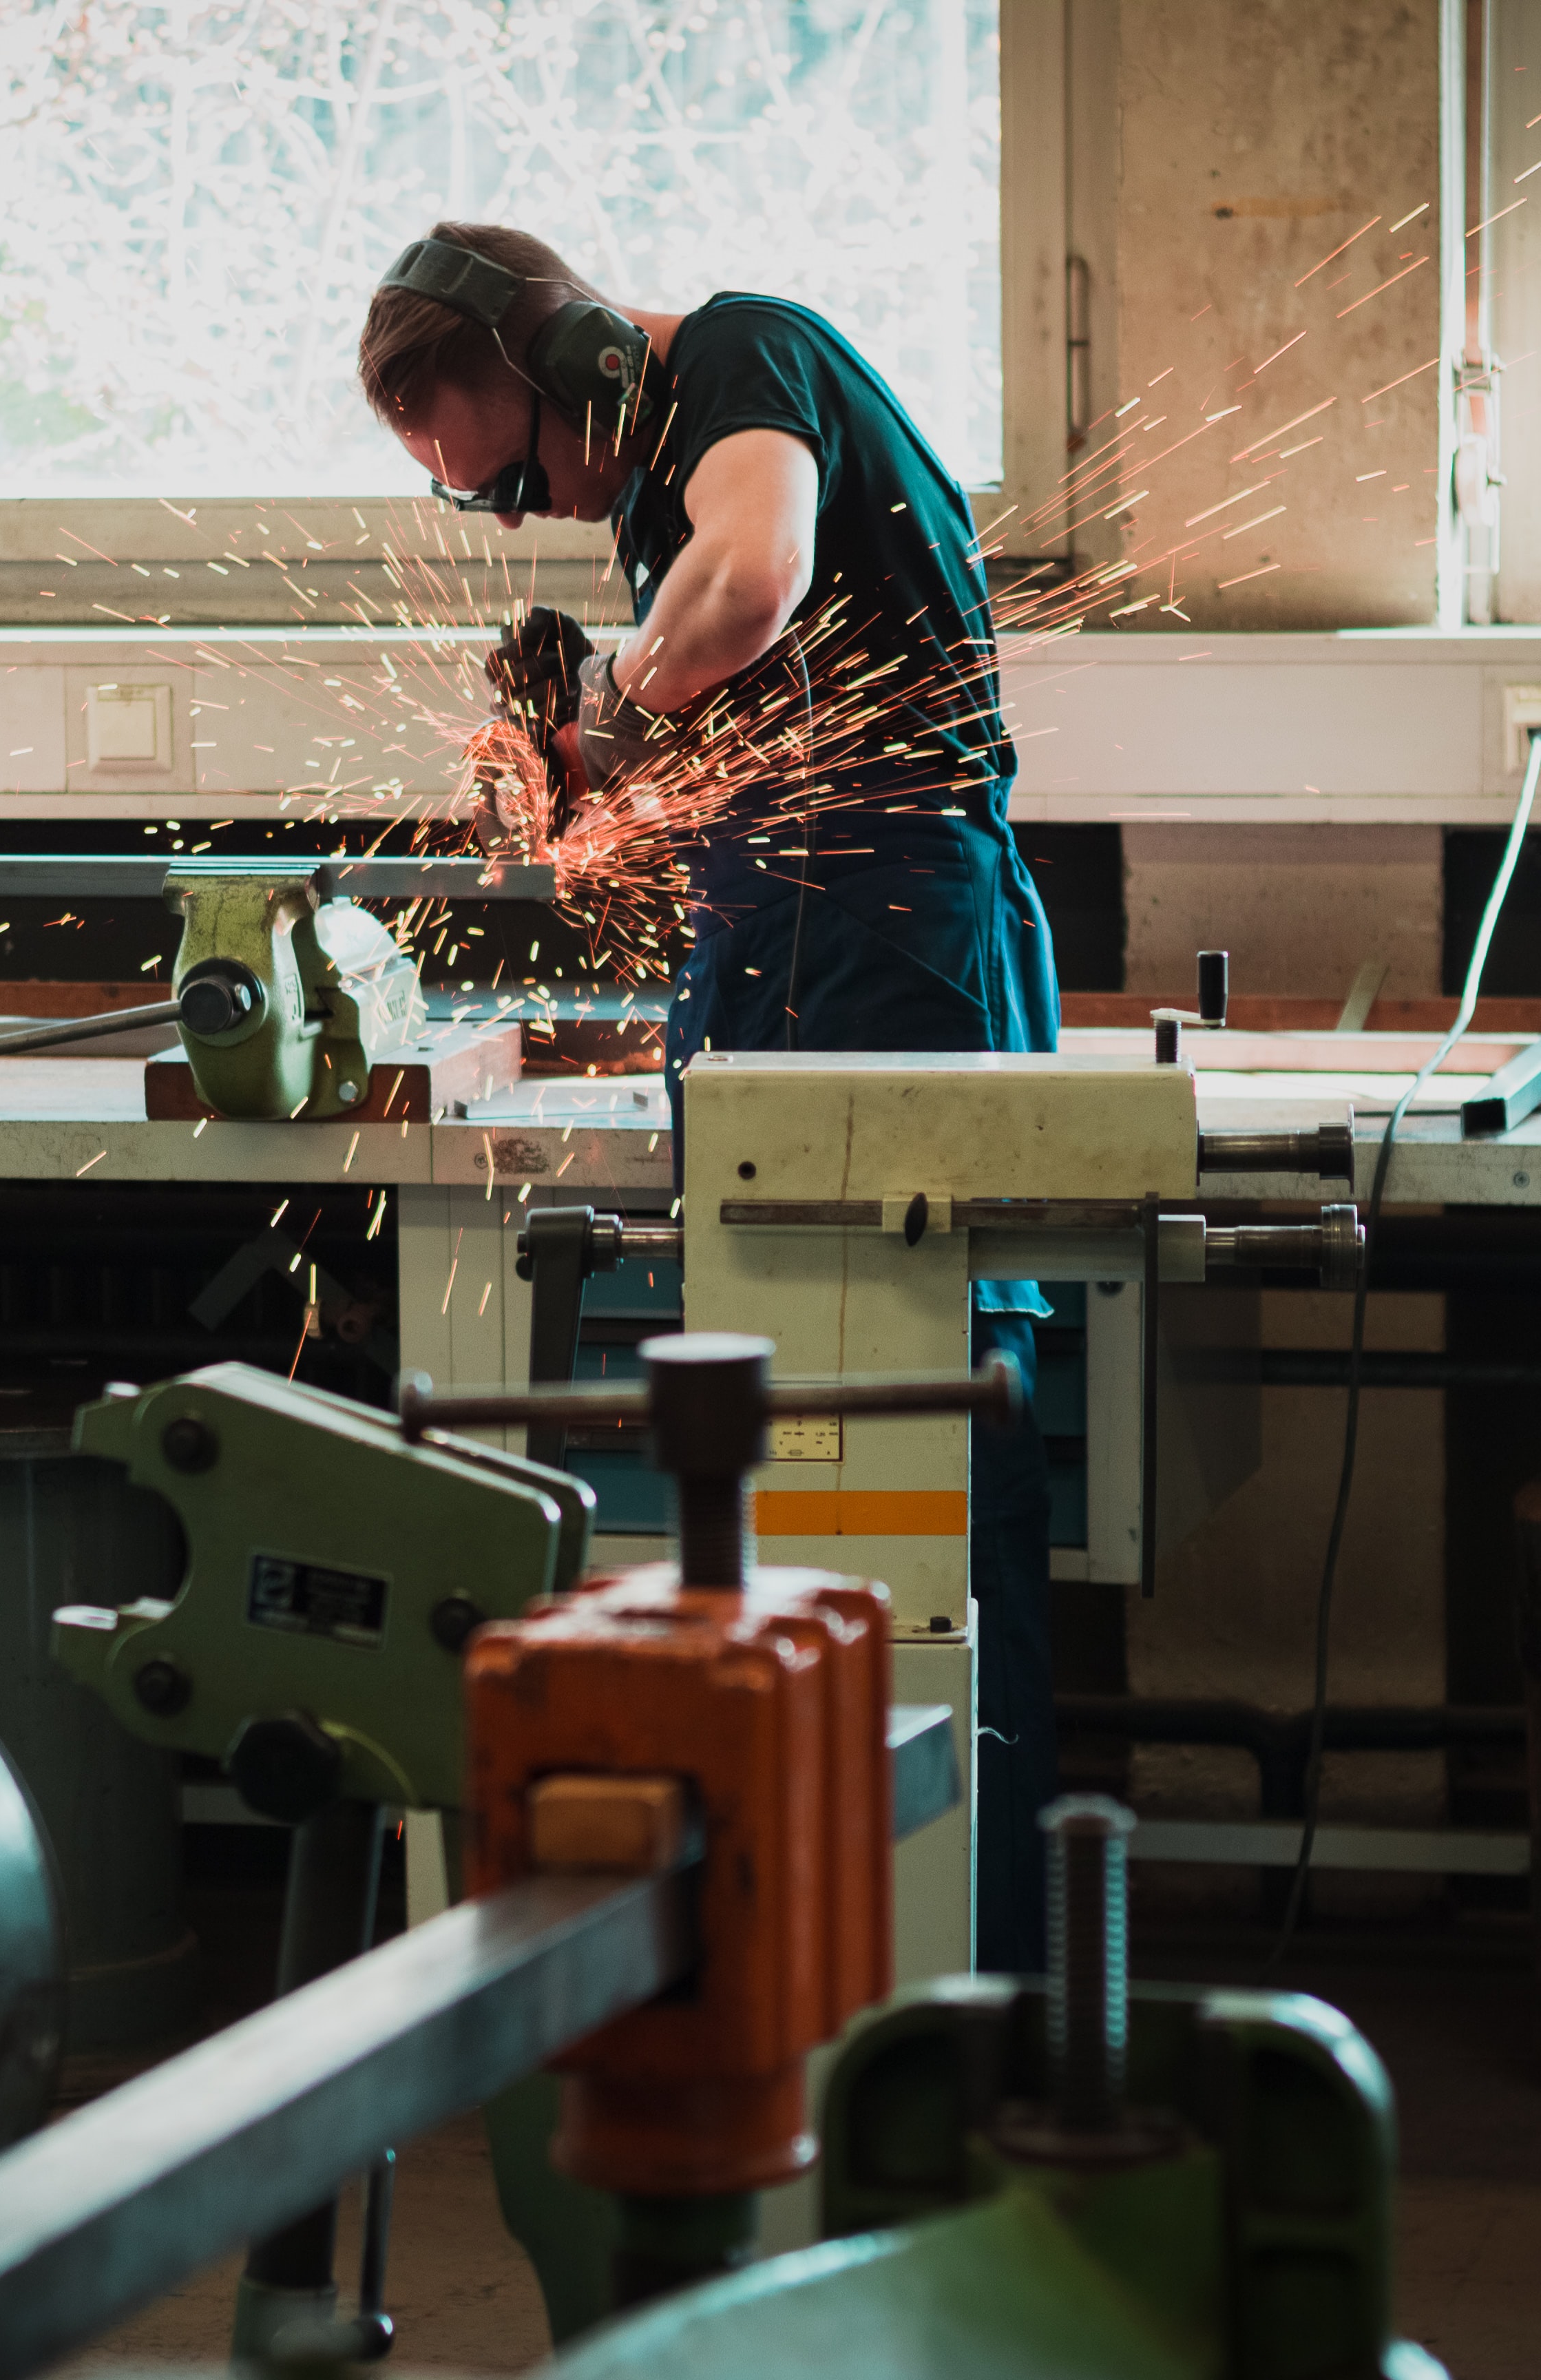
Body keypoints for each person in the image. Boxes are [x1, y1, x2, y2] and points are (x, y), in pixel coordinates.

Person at [357, 222, 1063, 1976]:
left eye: (511, 477)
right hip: (782, 942)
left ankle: (968, 1958)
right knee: (807, 1454)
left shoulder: (745, 359)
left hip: (890, 944)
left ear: (584, 357)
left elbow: (748, 591)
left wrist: (607, 705)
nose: (522, 516)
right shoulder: (651, 486)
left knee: (927, 1458)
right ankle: (832, 1934)